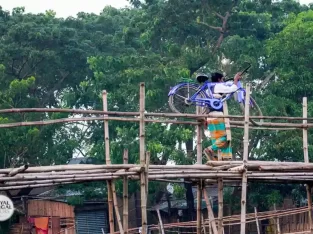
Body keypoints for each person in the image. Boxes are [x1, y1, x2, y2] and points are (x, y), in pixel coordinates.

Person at [198, 71, 242, 161]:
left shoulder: (208, 90)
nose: (223, 81)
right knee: (226, 138)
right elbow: (232, 89)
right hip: (218, 116)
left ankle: (218, 160)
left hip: (210, 118)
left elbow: (205, 105)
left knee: (216, 140)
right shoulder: (218, 86)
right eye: (222, 79)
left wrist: (205, 118)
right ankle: (209, 149)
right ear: (219, 79)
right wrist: (235, 80)